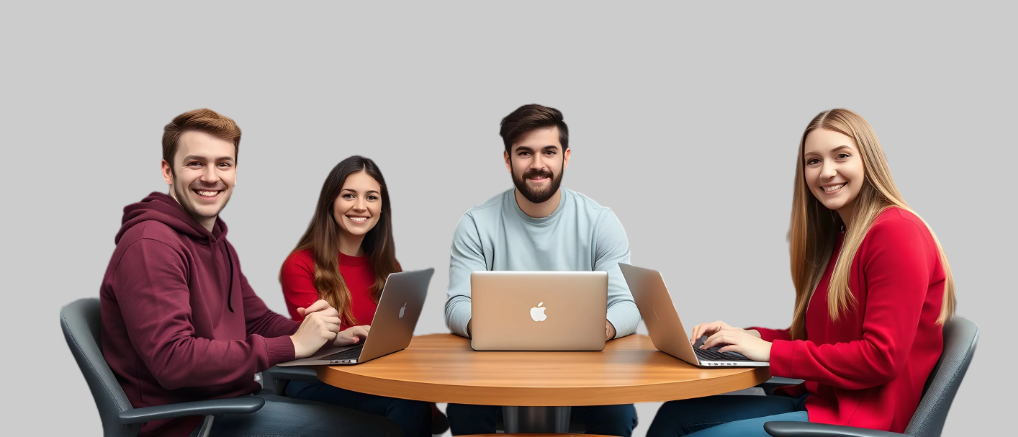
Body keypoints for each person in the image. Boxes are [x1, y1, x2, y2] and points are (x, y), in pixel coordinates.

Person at [646, 108, 957, 437]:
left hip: (864, 421)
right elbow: (818, 338)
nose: (826, 172)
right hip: (823, 403)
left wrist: (770, 352)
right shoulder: (844, 237)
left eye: (841, 156)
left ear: (869, 159)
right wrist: (750, 337)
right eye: (813, 161)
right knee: (676, 415)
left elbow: (881, 357)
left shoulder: (897, 232)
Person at [99, 109, 402, 437]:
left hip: (232, 404)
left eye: (223, 164)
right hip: (188, 424)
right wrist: (292, 345)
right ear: (167, 171)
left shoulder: (217, 244)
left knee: (393, 414)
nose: (212, 176)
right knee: (381, 430)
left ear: (235, 172)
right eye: (196, 163)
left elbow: (257, 322)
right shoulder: (150, 245)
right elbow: (174, 360)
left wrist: (328, 339)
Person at [443, 104, 641, 437]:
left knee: (617, 415)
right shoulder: (476, 223)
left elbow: (628, 306)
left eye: (548, 152)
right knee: (464, 410)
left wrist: (600, 330)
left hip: (585, 370)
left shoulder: (600, 222)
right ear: (507, 160)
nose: (538, 165)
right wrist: (490, 329)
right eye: (525, 153)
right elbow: (456, 304)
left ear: (565, 157)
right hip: (495, 371)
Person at [278, 155, 447, 437]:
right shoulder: (301, 264)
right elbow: (312, 338)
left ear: (382, 207)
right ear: (330, 202)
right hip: (319, 380)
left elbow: (390, 339)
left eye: (371, 197)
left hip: (375, 376)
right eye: (348, 195)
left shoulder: (389, 267)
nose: (360, 206)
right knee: (409, 404)